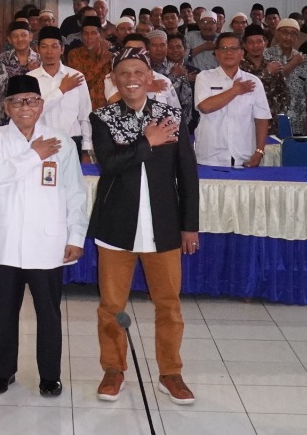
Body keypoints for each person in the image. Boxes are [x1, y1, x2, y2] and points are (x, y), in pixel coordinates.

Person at [88, 47, 199, 406]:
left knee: (168, 304)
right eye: (124, 72)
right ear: (114, 79)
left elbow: (188, 175)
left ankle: (171, 373)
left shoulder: (171, 116)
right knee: (111, 305)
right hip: (116, 225)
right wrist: (147, 142)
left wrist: (190, 226)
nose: (132, 78)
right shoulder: (102, 117)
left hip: (164, 226)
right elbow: (109, 162)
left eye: (138, 71)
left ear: (150, 78)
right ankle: (113, 369)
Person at [0, 75, 87, 398]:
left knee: (49, 313)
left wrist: (76, 235)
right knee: (5, 311)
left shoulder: (61, 140)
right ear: (6, 107)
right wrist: (34, 154)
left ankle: (50, 375)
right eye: (18, 101)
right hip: (6, 240)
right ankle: (2, 372)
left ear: (41, 105)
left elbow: (75, 192)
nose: (26, 107)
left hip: (48, 240)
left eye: (32, 100)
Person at [193, 31, 271, 167]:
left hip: (244, 156)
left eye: (234, 48)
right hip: (210, 156)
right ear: (216, 53)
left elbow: (262, 119)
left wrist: (259, 152)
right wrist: (235, 91)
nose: (228, 53)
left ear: (242, 53)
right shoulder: (204, 77)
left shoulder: (253, 81)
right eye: (223, 48)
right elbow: (205, 107)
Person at [30, 25, 91, 156]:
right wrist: (62, 90)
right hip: (41, 143)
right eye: (44, 46)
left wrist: (87, 147)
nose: (49, 52)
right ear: (38, 49)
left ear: (62, 49)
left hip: (73, 141)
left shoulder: (76, 77)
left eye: (54, 46)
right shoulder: (30, 78)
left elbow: (84, 114)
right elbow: (33, 113)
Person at [263, 19, 307, 137]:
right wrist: (294, 62)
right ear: (277, 34)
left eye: (293, 34)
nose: (288, 37)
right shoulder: (266, 55)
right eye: (284, 32)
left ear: (297, 37)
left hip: (298, 120)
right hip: (272, 119)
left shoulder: (303, 59)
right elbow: (270, 81)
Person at [66, 16, 113, 110]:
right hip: (81, 107)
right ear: (81, 36)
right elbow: (79, 82)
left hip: (106, 109)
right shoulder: (74, 54)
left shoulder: (109, 55)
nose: (89, 37)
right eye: (85, 34)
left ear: (100, 35)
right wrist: (101, 63)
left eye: (93, 33)